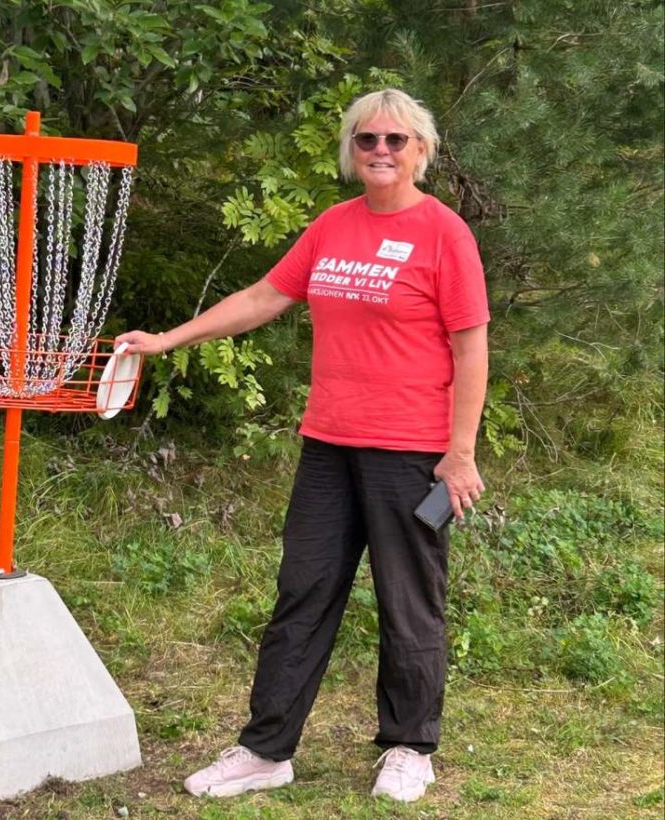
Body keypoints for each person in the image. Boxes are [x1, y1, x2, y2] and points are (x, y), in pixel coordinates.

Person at [115, 88, 489, 803]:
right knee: (303, 592)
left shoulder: (445, 234)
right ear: (352, 150)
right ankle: (266, 749)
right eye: (366, 140)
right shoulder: (332, 226)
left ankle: (410, 746)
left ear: (422, 151)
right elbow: (264, 295)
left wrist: (460, 450)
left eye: (395, 140)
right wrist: (168, 339)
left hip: (410, 451)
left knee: (409, 602)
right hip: (328, 444)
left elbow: (471, 349)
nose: (380, 151)